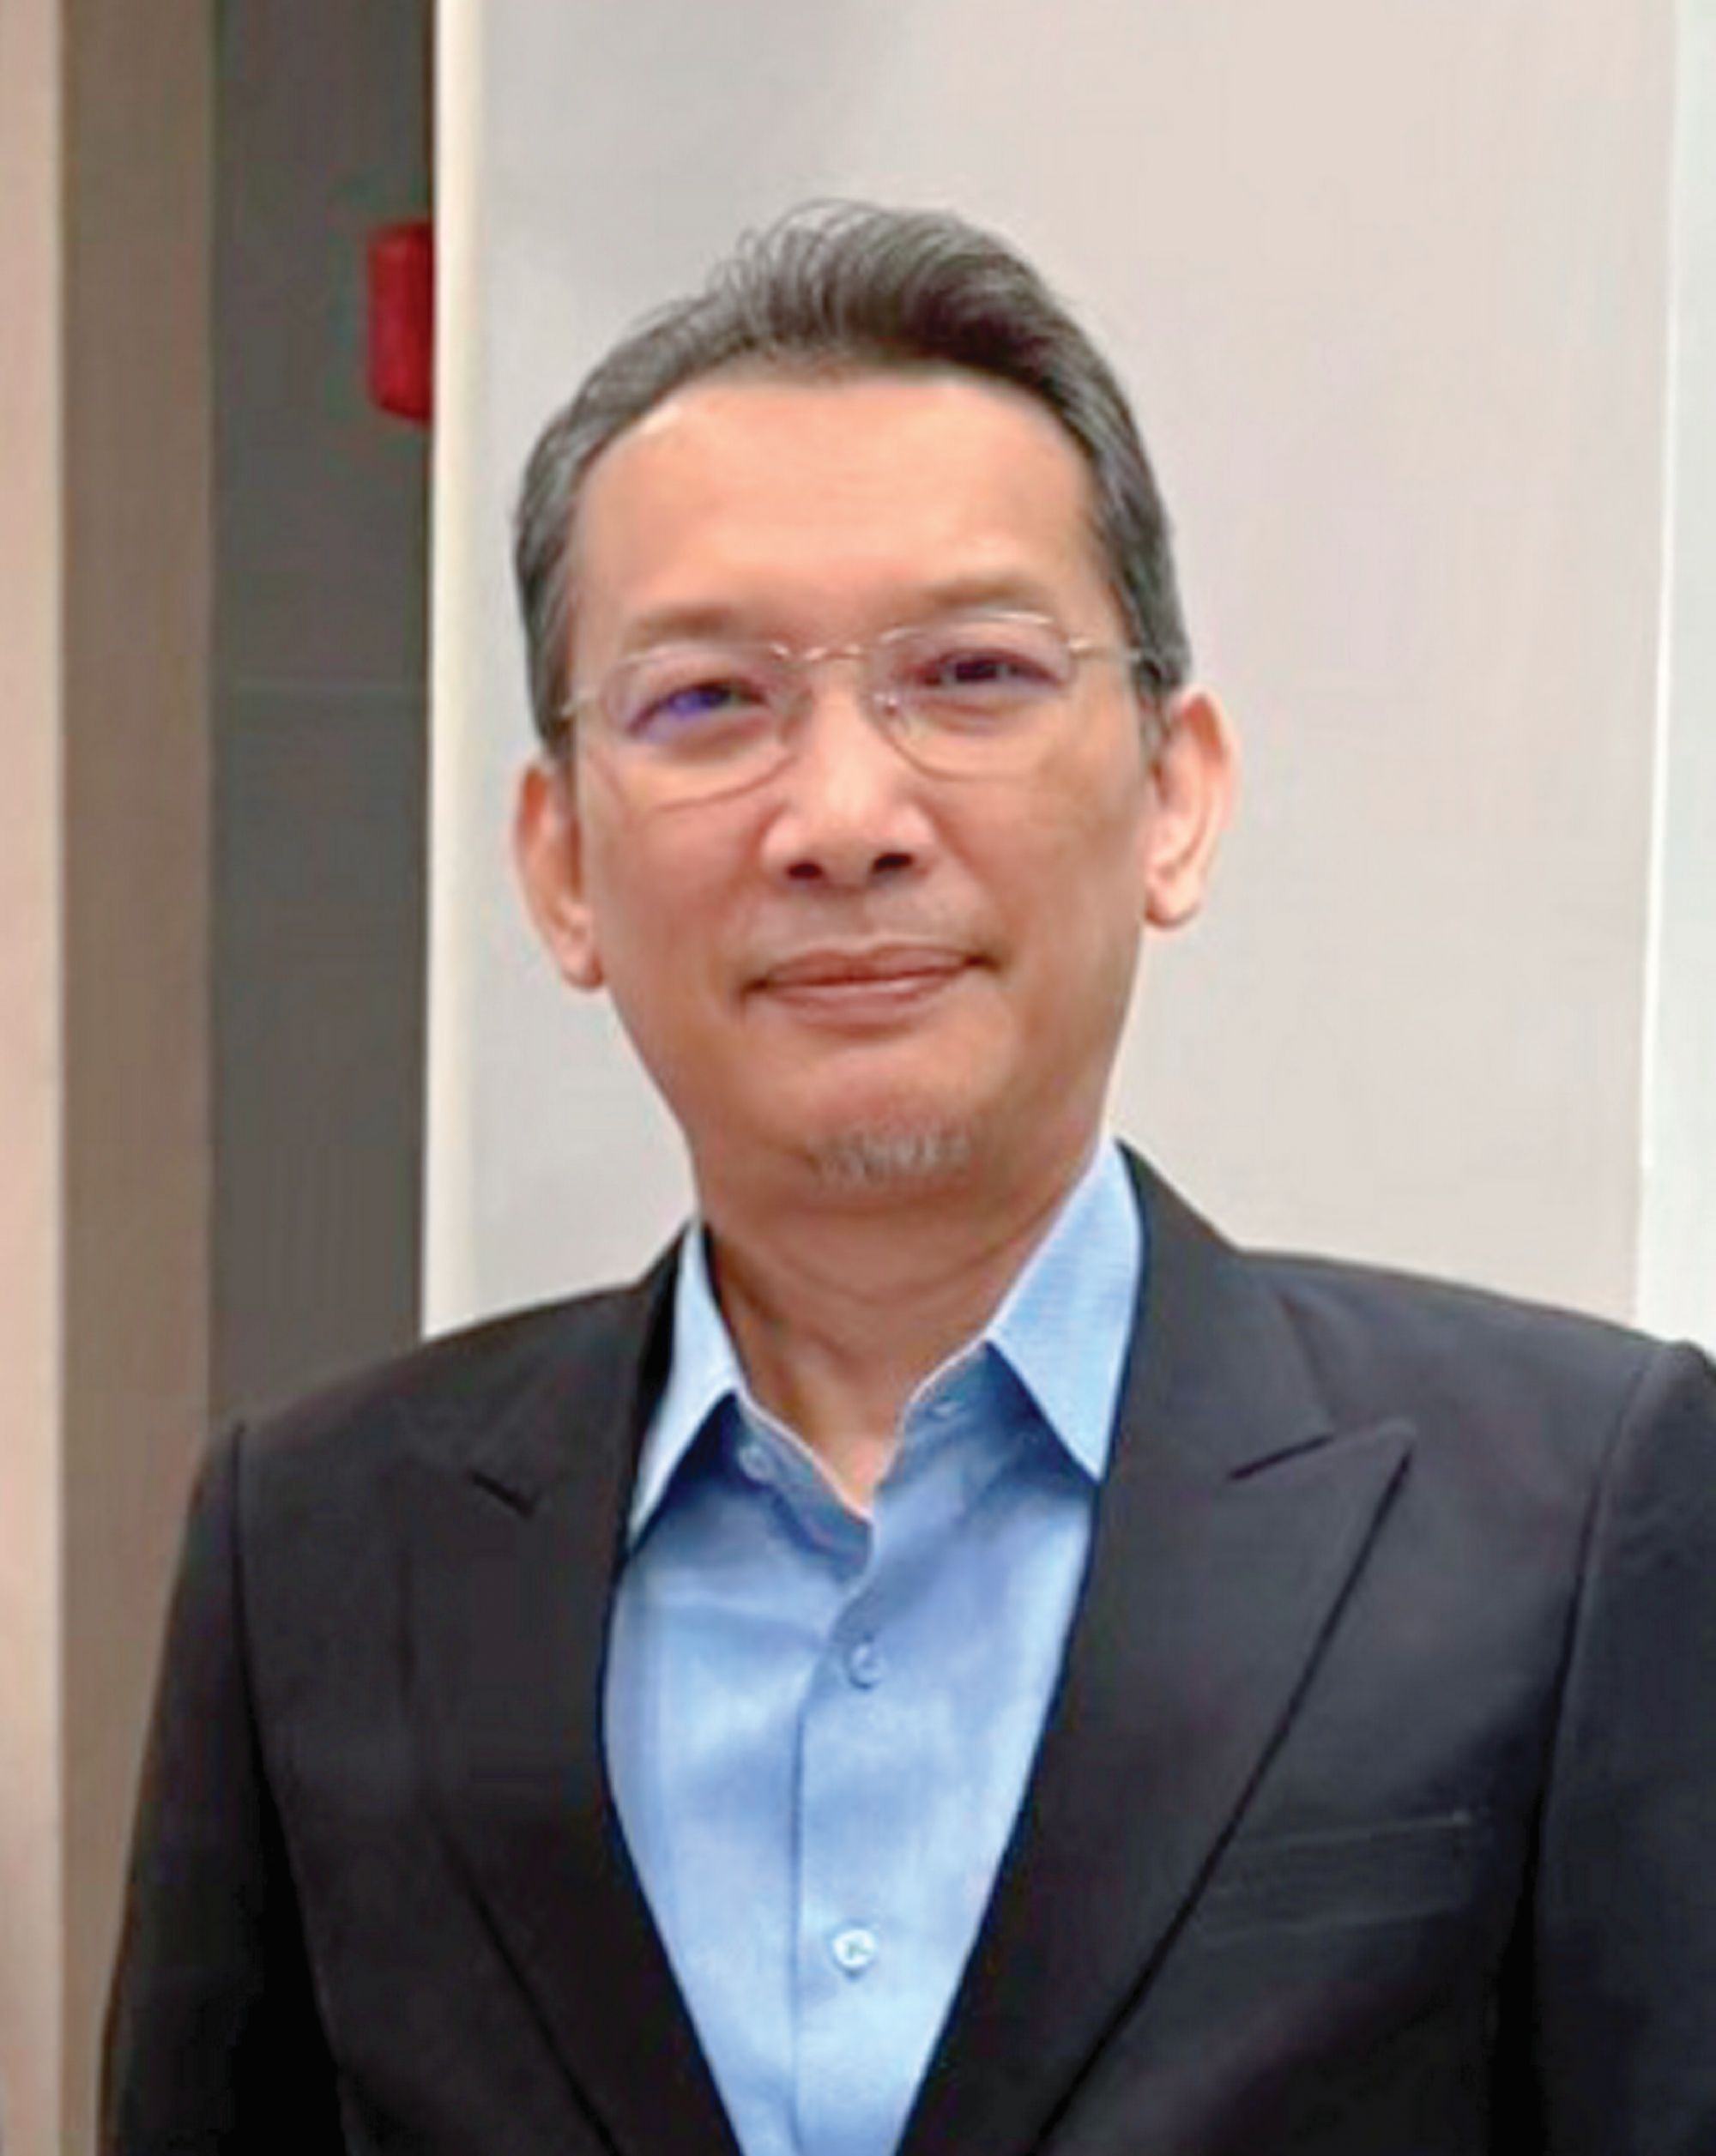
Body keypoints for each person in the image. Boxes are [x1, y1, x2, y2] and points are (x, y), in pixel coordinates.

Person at [104, 203, 1716, 2156]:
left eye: (969, 673)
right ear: (561, 865)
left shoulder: (1569, 1515)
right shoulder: (315, 1555)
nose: (846, 816)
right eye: (707, 701)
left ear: (1175, 794)